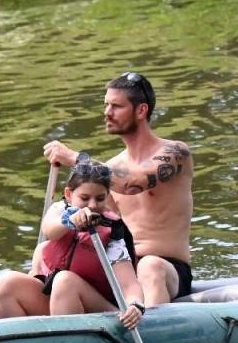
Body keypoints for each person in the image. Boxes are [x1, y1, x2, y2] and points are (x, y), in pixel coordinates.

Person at [41, 71, 194, 306]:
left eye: (116, 106)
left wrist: (75, 158)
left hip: (166, 268)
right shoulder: (111, 168)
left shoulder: (175, 153)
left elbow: (132, 183)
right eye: (106, 105)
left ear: (141, 111)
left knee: (149, 265)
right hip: (121, 265)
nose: (107, 112)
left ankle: (152, 325)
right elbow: (106, 222)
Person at [0, 159, 144, 330]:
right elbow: (50, 230)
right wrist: (70, 221)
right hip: (59, 304)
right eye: (85, 198)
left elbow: (129, 284)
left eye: (100, 198)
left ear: (108, 196)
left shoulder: (112, 233)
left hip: (101, 312)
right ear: (68, 194)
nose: (92, 205)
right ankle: (22, 342)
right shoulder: (59, 211)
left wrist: (135, 304)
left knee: (64, 281)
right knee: (8, 282)